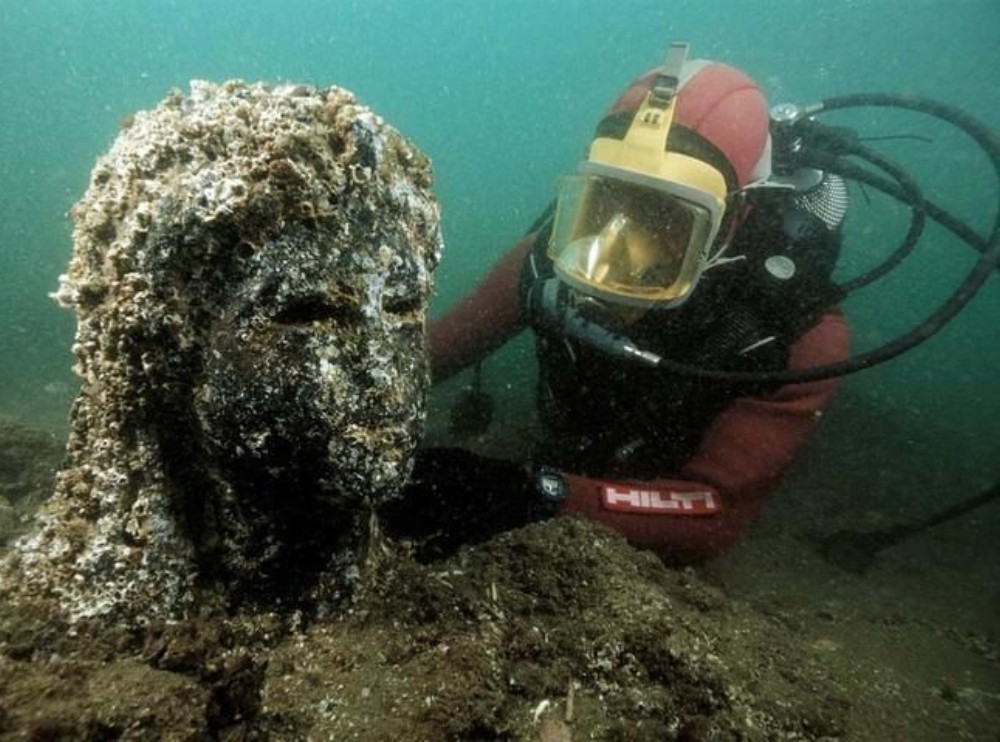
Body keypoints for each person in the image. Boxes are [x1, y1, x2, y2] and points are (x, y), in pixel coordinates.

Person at [388, 42, 851, 565]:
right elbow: (422, 360)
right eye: (603, 205)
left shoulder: (795, 333)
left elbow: (715, 513)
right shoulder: (548, 262)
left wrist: (534, 493)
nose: (610, 253)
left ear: (732, 220)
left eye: (666, 221)